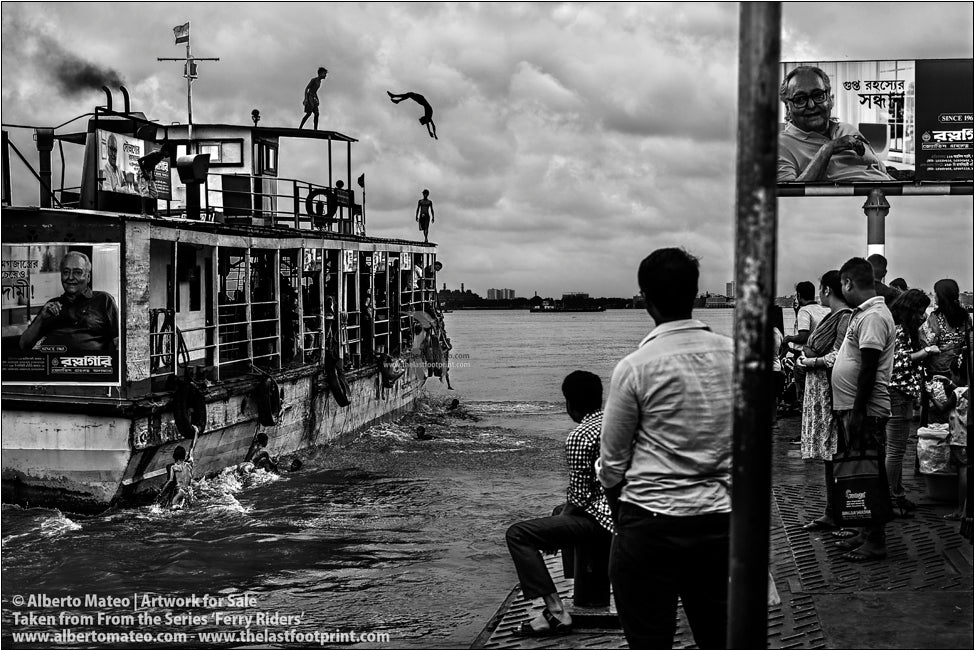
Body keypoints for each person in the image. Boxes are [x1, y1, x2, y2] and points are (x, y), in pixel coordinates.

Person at [598, 248, 733, 649]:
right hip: (721, 524)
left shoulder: (636, 367)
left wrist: (623, 515)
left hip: (650, 526)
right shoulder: (739, 356)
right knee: (720, 636)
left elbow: (612, 464)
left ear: (645, 299)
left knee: (650, 639)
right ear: (693, 293)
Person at [506, 370, 613, 637]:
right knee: (558, 513)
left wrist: (555, 531)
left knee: (518, 534)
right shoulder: (617, 424)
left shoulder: (580, 435)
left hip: (605, 522)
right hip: (627, 513)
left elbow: (579, 497)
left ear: (570, 404)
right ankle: (575, 578)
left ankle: (555, 610)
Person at [830, 257, 896, 562]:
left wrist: (857, 411)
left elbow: (869, 367)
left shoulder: (872, 316)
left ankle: (876, 539)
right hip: (855, 406)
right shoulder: (865, 314)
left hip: (866, 409)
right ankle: (864, 530)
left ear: (847, 283)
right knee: (861, 472)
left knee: (870, 473)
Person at [797, 270, 853, 531]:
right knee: (830, 455)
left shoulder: (843, 317)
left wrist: (809, 361)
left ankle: (839, 511)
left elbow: (838, 355)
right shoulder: (834, 316)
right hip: (822, 390)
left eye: (822, 289)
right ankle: (832, 510)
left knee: (835, 453)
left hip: (830, 391)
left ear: (828, 290)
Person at [777, 65, 894, 183]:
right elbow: (789, 195)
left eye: (818, 95)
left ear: (830, 99)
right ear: (788, 107)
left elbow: (882, 170)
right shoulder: (781, 145)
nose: (811, 105)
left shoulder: (847, 129)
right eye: (800, 99)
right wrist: (827, 150)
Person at [885, 289, 938, 515]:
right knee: (896, 450)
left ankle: (896, 493)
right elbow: (900, 362)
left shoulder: (900, 328)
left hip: (899, 394)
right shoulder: (900, 330)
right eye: (919, 310)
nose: (922, 315)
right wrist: (927, 351)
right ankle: (891, 498)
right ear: (910, 310)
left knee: (895, 448)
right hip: (897, 393)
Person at [19, 251, 120, 353]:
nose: (70, 277)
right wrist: (41, 318)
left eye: (77, 272)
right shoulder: (51, 305)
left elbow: (120, 341)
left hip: (90, 365)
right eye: (66, 272)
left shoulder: (103, 300)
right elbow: (24, 344)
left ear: (88, 277)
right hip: (54, 365)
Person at [921, 278, 973, 389]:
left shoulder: (935, 318)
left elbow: (926, 343)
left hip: (936, 373)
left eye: (935, 293)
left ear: (941, 296)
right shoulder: (966, 317)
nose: (934, 296)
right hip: (958, 373)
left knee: (938, 404)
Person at [159, 425, 200, 510]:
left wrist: (161, 492)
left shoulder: (173, 467)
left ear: (174, 457)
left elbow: (170, 480)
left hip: (180, 492)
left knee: (172, 507)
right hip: (188, 492)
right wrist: (196, 432)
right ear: (184, 456)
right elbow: (192, 447)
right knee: (187, 508)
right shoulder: (189, 464)